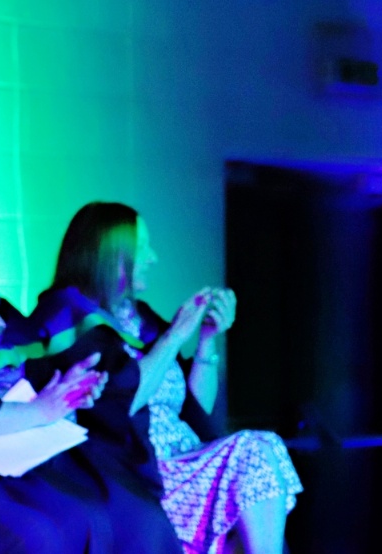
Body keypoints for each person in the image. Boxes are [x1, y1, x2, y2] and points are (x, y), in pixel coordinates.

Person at [0, 176, 186, 553]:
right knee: (67, 522)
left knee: (135, 515)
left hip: (30, 439)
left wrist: (67, 389)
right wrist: (44, 406)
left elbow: (34, 374)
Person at [28, 202, 301, 554]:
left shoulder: (140, 318)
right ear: (111, 254)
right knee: (256, 451)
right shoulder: (67, 316)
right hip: (139, 471)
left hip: (188, 459)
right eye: (142, 248)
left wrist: (206, 339)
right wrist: (174, 337)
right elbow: (119, 405)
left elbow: (194, 410)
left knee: (260, 455)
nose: (153, 258)